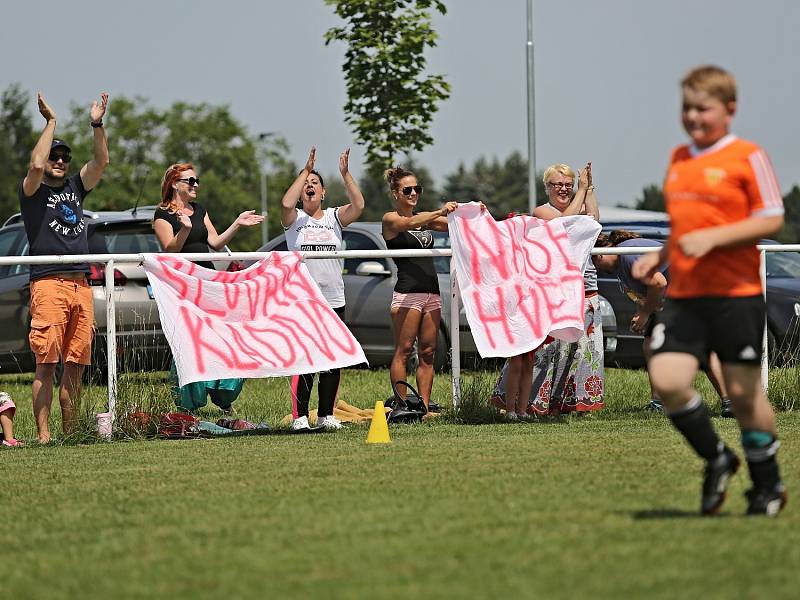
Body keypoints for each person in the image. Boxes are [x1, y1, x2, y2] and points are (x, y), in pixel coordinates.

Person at [633, 65, 786, 516]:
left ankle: (768, 484)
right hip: (686, 297)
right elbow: (685, 227)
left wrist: (714, 240)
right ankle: (718, 458)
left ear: (729, 110)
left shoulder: (746, 155)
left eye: (704, 108)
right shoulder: (680, 158)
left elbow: (771, 217)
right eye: (687, 108)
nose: (693, 117)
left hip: (735, 295)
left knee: (743, 396)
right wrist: (659, 257)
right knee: (667, 379)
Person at [19, 92, 109, 443]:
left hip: (80, 285)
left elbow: (101, 162)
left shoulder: (75, 186)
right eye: (55, 154)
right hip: (48, 283)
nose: (59, 160)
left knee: (76, 365)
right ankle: (43, 435)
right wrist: (51, 122)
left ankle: (70, 433)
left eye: (64, 156)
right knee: (47, 362)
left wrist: (97, 123)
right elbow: (35, 166)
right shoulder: (32, 192)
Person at [153, 163, 263, 413]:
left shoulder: (200, 210)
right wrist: (185, 229)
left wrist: (237, 223)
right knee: (189, 341)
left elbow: (215, 243)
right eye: (190, 181)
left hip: (207, 283)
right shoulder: (162, 214)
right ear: (174, 183)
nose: (195, 185)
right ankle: (188, 404)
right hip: (182, 286)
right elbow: (170, 249)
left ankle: (225, 396)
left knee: (222, 337)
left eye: (196, 180)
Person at [593, 230, 731, 415]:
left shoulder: (627, 255)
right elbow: (646, 290)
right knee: (651, 346)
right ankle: (660, 402)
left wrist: (644, 314)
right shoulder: (621, 262)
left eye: (595, 261)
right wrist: (643, 313)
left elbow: (658, 282)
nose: (597, 268)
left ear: (601, 254)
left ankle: (730, 401)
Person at [280, 147, 365, 431]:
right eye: (306, 184)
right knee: (305, 359)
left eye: (315, 183)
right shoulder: (294, 222)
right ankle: (300, 417)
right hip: (304, 301)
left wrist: (345, 174)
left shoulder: (333, 218)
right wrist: (305, 170)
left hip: (334, 299)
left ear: (324, 192)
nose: (310, 186)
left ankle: (327, 414)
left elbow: (359, 205)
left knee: (333, 358)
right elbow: (285, 203)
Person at [527, 162, 604, 415]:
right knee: (551, 351)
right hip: (555, 292)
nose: (563, 189)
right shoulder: (542, 212)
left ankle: (576, 403)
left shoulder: (579, 204)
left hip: (586, 287)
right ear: (547, 187)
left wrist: (589, 187)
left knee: (583, 351)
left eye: (568, 185)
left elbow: (594, 220)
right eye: (558, 185)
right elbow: (564, 223)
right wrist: (580, 191)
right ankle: (538, 402)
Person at [382, 166, 457, 412]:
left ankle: (423, 407)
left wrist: (471, 212)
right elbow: (409, 222)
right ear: (396, 193)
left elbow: (452, 225)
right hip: (408, 292)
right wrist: (439, 210)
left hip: (431, 292)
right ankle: (401, 406)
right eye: (408, 189)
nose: (414, 193)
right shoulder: (390, 219)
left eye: (417, 188)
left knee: (428, 352)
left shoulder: (427, 218)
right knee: (404, 350)